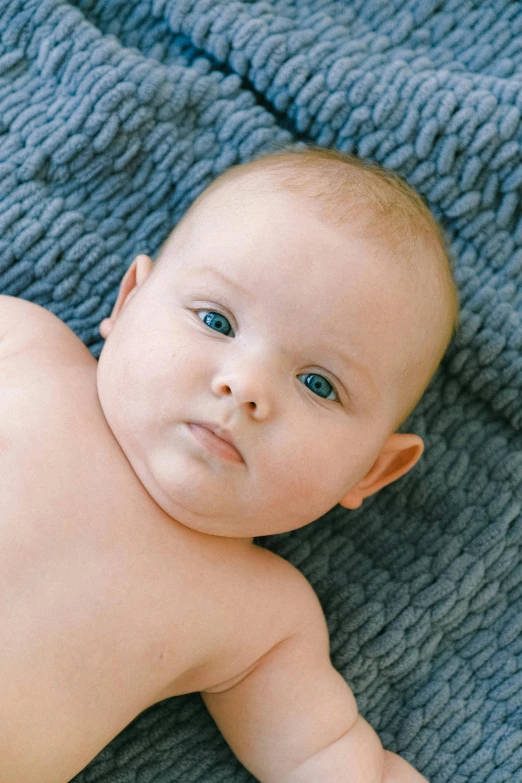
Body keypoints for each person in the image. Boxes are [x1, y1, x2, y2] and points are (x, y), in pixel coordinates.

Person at [0, 145, 459, 783]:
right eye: (216, 320)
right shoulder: (22, 345)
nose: (245, 386)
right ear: (130, 302)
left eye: (319, 385)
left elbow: (325, 758)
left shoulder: (263, 615)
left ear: (372, 472)